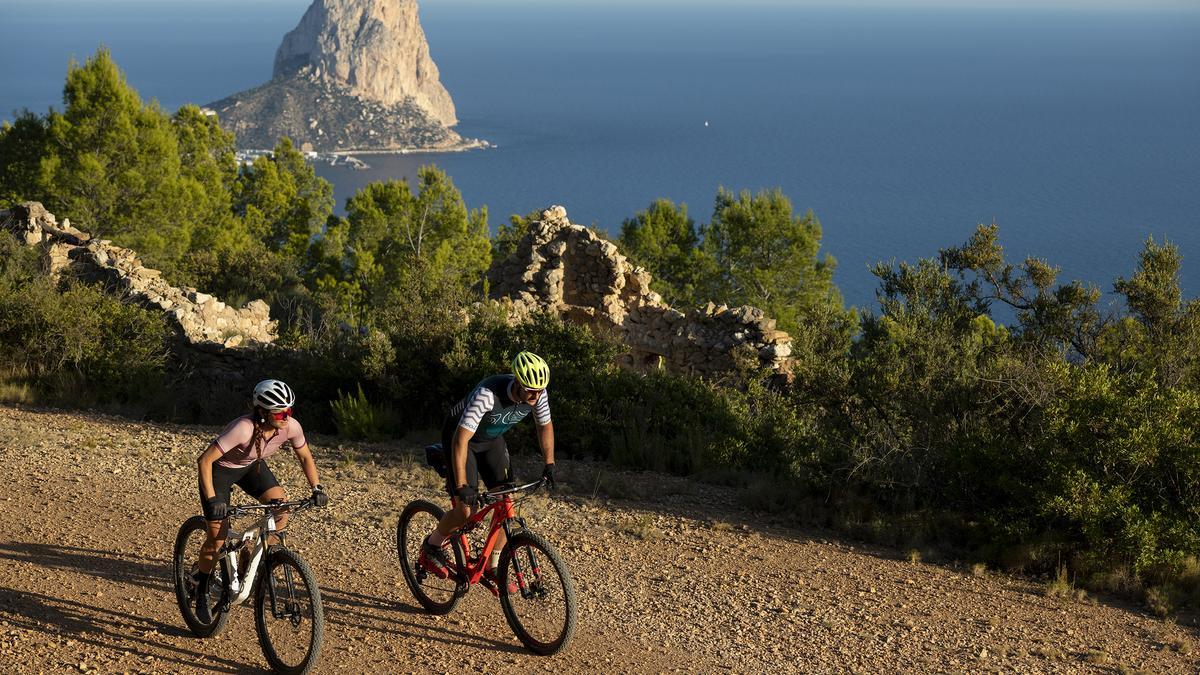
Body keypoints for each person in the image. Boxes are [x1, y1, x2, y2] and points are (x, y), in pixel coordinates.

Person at [192, 379, 329, 623]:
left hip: (251, 468)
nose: (286, 416)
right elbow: (204, 461)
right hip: (219, 471)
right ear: (262, 411)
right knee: (217, 537)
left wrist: (316, 487)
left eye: (289, 410)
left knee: (282, 510)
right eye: (280, 411)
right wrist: (213, 499)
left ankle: (253, 557)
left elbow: (305, 457)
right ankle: (200, 588)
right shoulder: (243, 429)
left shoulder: (291, 427)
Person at [421, 351, 556, 588]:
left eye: (540, 390)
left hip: (492, 440)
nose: (536, 395)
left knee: (507, 503)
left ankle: (493, 566)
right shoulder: (486, 395)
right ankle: (431, 547)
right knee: (466, 511)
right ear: (517, 382)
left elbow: (544, 427)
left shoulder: (539, 393)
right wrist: (462, 487)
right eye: (530, 390)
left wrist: (549, 464)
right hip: (461, 439)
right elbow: (461, 440)